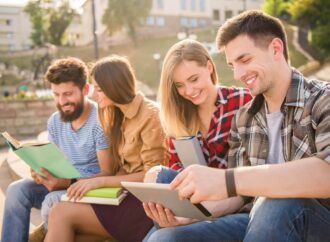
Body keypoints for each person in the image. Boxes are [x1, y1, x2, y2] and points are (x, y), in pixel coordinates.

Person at [170, 10, 330, 241]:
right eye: (233, 64)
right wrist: (191, 216)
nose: (238, 74)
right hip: (255, 220)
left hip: (318, 223)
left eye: (245, 60)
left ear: (276, 49)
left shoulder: (323, 99)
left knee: (275, 203)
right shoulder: (244, 117)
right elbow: (240, 195)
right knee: (170, 237)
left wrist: (227, 180)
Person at [45, 55, 166, 242]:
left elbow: (154, 175)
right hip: (121, 194)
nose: (93, 95)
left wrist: (100, 182)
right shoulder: (112, 113)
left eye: (99, 89)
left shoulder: (150, 115)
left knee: (60, 213)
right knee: (67, 227)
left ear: (114, 87)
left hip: (144, 202)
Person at [142, 39, 252, 241]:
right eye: (180, 85)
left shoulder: (243, 101)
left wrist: (192, 215)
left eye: (194, 79)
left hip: (236, 205)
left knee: (159, 238)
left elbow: (248, 181)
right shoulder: (179, 117)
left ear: (209, 67)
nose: (189, 91)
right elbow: (176, 171)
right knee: (155, 177)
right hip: (194, 203)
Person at [1, 57, 110, 242]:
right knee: (16, 190)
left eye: (67, 94)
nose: (62, 101)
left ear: (85, 89)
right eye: (56, 94)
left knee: (53, 202)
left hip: (87, 190)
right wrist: (39, 171)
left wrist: (67, 182)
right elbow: (52, 159)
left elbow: (109, 173)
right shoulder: (55, 121)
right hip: (61, 184)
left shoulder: (100, 120)